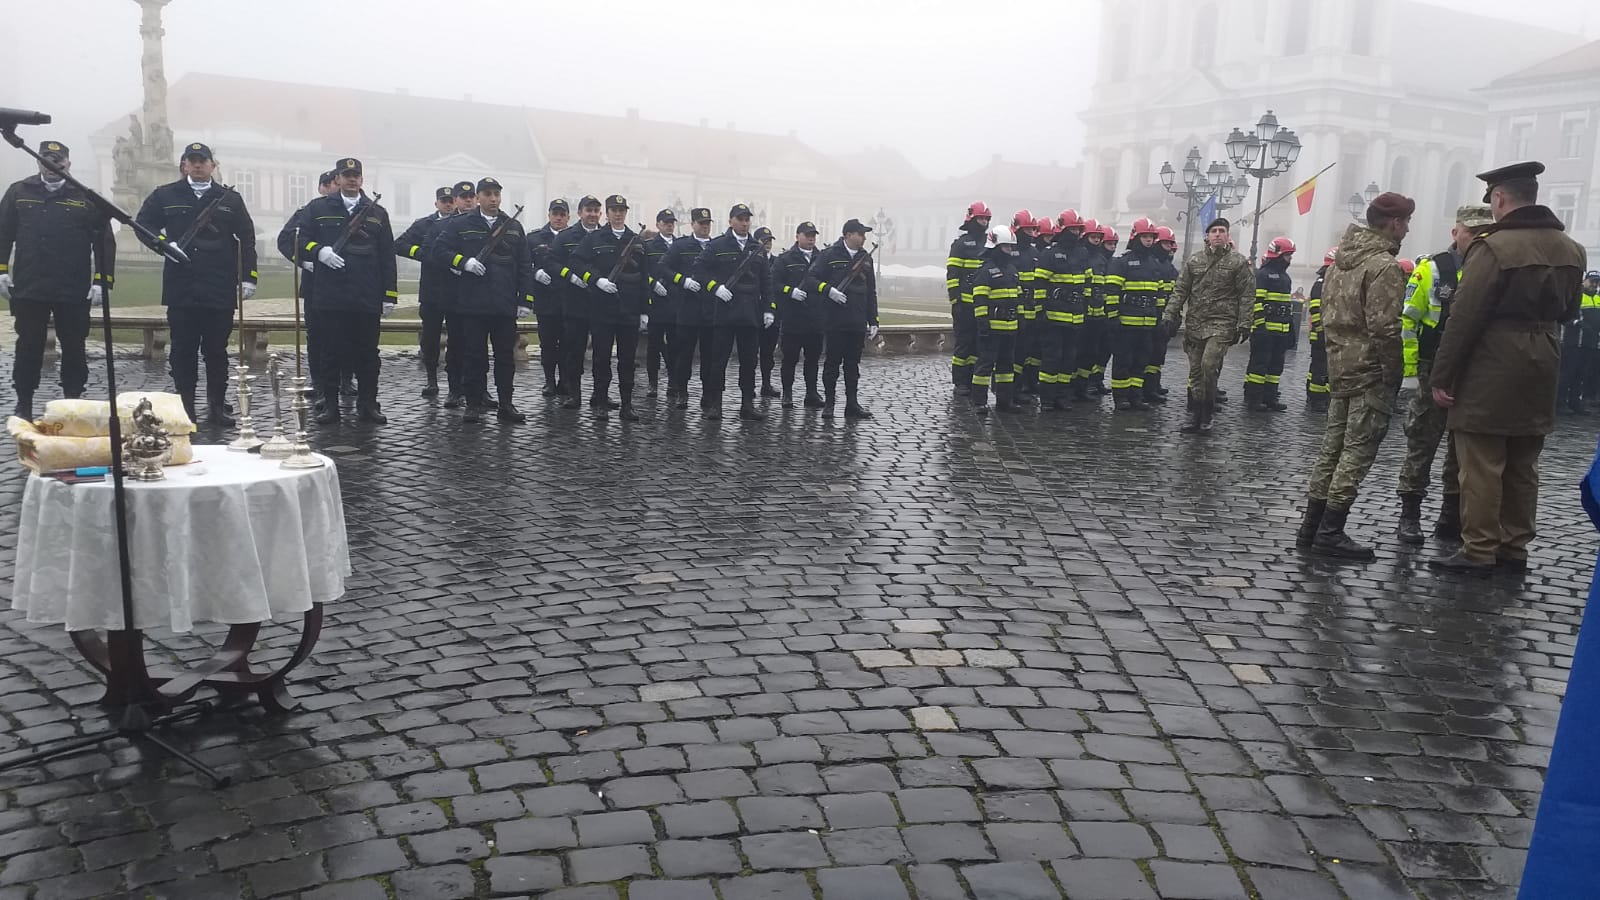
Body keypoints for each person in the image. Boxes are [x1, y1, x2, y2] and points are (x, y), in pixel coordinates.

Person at [1429, 162, 1587, 573]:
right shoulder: (1572, 249)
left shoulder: (1493, 248)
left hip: (1492, 362)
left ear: (1500, 198)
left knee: (1481, 461)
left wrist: (1442, 376)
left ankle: (1479, 548)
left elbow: (1465, 317)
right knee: (1523, 462)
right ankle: (1514, 547)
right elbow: (1569, 311)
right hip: (1544, 356)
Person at [1295, 192, 1414, 559]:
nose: (1407, 230)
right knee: (1357, 452)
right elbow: (1385, 328)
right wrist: (1393, 373)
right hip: (1370, 372)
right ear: (1394, 223)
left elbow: (1329, 318)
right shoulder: (1382, 266)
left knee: (1331, 448)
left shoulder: (1339, 263)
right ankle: (1331, 531)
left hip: (1340, 366)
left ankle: (1310, 527)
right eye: (1406, 223)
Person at [134, 141, 258, 427]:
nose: (198, 165)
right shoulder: (165, 194)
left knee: (216, 351)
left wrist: (248, 276)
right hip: (182, 285)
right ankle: (185, 406)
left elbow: (247, 238)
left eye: (203, 160)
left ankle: (216, 405)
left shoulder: (229, 199)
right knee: (182, 351)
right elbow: (143, 225)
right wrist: (164, 244)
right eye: (193, 160)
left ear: (213, 165)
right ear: (184, 165)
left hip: (219, 285)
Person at [1394, 204, 1494, 544]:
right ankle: (1409, 514)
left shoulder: (1495, 270)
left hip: (1474, 373)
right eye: (1472, 232)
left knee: (1462, 448)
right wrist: (1411, 374)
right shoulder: (1431, 270)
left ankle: (1450, 517)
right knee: (1422, 443)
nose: (1478, 239)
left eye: (1485, 234)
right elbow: (1407, 323)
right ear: (1456, 233)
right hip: (1430, 368)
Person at [0, 141, 112, 421]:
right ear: (38, 161)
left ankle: (72, 401)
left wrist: (101, 280)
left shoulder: (85, 197)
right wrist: (1, 269)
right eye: (46, 160)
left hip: (72, 288)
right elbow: (3, 233)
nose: (51, 165)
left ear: (68, 163)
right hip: (30, 286)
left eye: (57, 160)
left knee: (74, 347)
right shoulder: (19, 192)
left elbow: (103, 242)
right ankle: (24, 401)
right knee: (28, 346)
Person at [296, 156, 396, 425]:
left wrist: (389, 295)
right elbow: (301, 240)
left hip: (366, 293)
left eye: (356, 176)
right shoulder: (317, 208)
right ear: (337, 179)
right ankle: (330, 405)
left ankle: (368, 404)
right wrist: (319, 251)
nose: (352, 179)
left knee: (368, 354)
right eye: (346, 175)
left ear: (362, 179)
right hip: (331, 294)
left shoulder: (377, 213)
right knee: (330, 352)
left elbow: (387, 256)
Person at [426, 177, 531, 424]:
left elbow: (524, 265)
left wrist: (525, 300)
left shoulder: (513, 226)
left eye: (497, 194)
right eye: (488, 194)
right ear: (478, 197)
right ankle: (473, 404)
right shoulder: (460, 223)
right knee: (474, 356)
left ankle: (506, 404)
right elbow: (439, 251)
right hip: (472, 304)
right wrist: (464, 262)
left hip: (504, 303)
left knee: (505, 357)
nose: (493, 199)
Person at [1161, 218, 1253, 433]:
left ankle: (1207, 412)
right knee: (1195, 372)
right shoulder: (1195, 260)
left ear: (1228, 236)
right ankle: (1196, 414)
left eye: (1222, 231)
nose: (1218, 234)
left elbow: (1246, 295)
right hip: (1195, 323)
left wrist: (1245, 323)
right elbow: (1180, 290)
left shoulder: (1238, 262)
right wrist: (1169, 314)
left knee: (1209, 365)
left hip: (1222, 324)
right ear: (1208, 236)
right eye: (1214, 231)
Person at [693, 204, 773, 421]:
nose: (745, 223)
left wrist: (768, 309)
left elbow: (766, 281)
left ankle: (747, 404)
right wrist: (715, 287)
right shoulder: (718, 245)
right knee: (718, 361)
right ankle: (716, 404)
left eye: (747, 219)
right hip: (725, 312)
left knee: (749, 362)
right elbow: (699, 270)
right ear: (730, 221)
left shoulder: (757, 248)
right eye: (740, 219)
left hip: (750, 312)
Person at [572, 194, 649, 421]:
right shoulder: (595, 238)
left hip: (629, 309)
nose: (618, 214)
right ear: (607, 213)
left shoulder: (637, 241)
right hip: (602, 308)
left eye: (622, 210)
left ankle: (627, 404)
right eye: (614, 210)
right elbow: (576, 262)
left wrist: (645, 310)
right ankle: (601, 401)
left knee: (627, 360)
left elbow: (645, 277)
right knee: (601, 358)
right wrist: (596, 280)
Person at [802, 218, 879, 420]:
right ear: (848, 235)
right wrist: (829, 290)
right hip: (835, 319)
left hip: (857, 319)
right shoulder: (829, 255)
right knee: (832, 364)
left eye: (864, 234)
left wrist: (873, 320)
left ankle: (852, 404)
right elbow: (810, 279)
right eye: (860, 234)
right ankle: (829, 404)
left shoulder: (866, 258)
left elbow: (871, 291)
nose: (863, 238)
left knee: (852, 365)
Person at [277, 170, 338, 415]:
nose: (337, 187)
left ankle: (345, 379)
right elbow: (285, 240)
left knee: (347, 334)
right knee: (317, 335)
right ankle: (319, 381)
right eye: (332, 183)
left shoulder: (355, 210)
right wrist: (302, 261)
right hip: (316, 283)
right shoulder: (308, 211)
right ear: (323, 187)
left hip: (346, 284)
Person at [395, 185, 458, 400]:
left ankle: (455, 383)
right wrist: (422, 253)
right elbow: (400, 244)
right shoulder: (424, 224)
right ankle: (431, 379)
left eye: (451, 201)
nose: (448, 204)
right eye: (444, 201)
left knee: (457, 339)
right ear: (436, 203)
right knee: (430, 338)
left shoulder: (461, 223)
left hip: (456, 290)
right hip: (432, 289)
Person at [1105, 217, 1163, 412]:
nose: (1148, 240)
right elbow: (1111, 292)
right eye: (1144, 236)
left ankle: (1135, 397)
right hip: (1126, 323)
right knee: (1123, 361)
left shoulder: (1155, 263)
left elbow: (1159, 295)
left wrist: (1159, 318)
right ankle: (1121, 398)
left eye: (1151, 237)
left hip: (1147, 324)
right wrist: (1113, 317)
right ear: (1135, 237)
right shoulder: (1122, 262)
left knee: (1141, 362)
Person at [1034, 210, 1090, 410]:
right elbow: (1040, 285)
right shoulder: (1049, 254)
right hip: (1053, 317)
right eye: (1072, 229)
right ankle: (1047, 399)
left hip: (1075, 317)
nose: (1075, 233)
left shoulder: (1083, 254)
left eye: (1077, 229)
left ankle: (1062, 396)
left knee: (1069, 360)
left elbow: (1088, 283)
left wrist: (1086, 307)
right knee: (1052, 359)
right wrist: (1040, 311)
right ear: (1063, 229)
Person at [551, 195, 603, 410]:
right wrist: (570, 276)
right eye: (588, 210)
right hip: (575, 301)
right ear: (580, 213)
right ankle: (574, 393)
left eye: (596, 211)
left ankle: (599, 394)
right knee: (574, 350)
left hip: (601, 302)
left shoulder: (606, 236)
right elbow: (551, 262)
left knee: (601, 353)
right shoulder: (566, 237)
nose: (592, 214)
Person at [659, 207, 715, 408]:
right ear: (692, 224)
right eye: (701, 223)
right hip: (687, 307)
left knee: (709, 356)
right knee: (684, 354)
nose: (705, 227)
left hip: (710, 309)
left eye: (707, 223)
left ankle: (707, 394)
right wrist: (682, 281)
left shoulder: (715, 246)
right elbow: (663, 267)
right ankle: (681, 391)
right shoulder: (681, 246)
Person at [969, 224, 1023, 414]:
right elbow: (980, 299)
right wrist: (983, 323)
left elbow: (1018, 297)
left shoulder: (1012, 269)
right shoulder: (986, 270)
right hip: (992, 328)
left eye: (1011, 247)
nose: (1009, 250)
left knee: (1006, 367)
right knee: (985, 365)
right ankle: (979, 402)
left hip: (1010, 327)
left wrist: (1021, 319)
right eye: (1006, 246)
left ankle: (1004, 401)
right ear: (995, 246)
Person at [771, 221, 825, 408]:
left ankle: (811, 393)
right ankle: (787, 393)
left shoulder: (821, 258)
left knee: (813, 359)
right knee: (790, 359)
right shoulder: (785, 259)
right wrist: (789, 291)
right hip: (793, 317)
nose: (811, 239)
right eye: (807, 235)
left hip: (815, 317)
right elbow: (773, 283)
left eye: (813, 236)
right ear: (797, 236)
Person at [1243, 237, 1296, 412]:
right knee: (1259, 366)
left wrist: (1290, 329)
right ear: (1278, 255)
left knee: (1275, 367)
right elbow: (1256, 302)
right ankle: (1254, 398)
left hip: (1281, 330)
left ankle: (1270, 397)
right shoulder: (1263, 275)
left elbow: (1286, 306)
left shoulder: (1285, 278)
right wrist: (1260, 326)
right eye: (1287, 255)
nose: (1290, 259)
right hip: (1264, 330)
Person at [526, 198, 570, 400]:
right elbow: (524, 264)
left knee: (568, 343)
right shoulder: (534, 238)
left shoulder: (573, 238)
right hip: (546, 299)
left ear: (568, 217)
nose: (558, 218)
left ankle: (565, 380)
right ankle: (549, 380)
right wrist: (535, 273)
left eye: (562, 214)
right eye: (555, 214)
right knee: (548, 343)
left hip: (568, 298)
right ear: (549, 215)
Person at [946, 201, 991, 393]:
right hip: (964, 306)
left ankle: (973, 378)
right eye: (980, 218)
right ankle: (960, 382)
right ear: (971, 219)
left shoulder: (989, 243)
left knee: (978, 345)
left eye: (986, 218)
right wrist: (956, 301)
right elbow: (953, 276)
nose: (984, 222)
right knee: (963, 345)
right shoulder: (961, 244)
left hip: (982, 306)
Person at [642, 208, 677, 398]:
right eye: (666, 222)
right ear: (658, 225)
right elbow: (643, 271)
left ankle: (673, 381)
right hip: (656, 302)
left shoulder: (679, 245)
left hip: (674, 301)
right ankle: (653, 383)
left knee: (674, 345)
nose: (669, 225)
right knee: (654, 345)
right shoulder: (649, 246)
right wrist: (653, 284)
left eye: (672, 222)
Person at [1145, 225, 1179, 404]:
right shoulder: (1153, 263)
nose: (1169, 248)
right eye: (1166, 244)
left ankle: (1154, 385)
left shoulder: (1169, 267)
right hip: (1153, 315)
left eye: (1170, 245)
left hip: (1165, 315)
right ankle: (1147, 388)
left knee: (1159, 355)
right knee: (1150, 354)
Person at [1013, 210, 1044, 400]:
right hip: (1017, 310)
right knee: (1017, 353)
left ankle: (1030, 383)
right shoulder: (1010, 249)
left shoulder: (1034, 253)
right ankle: (1014, 389)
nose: (1031, 233)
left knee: (1032, 351)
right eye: (1027, 229)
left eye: (1033, 229)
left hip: (1033, 310)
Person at [1304, 247, 1335, 410]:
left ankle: (1316, 396)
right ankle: (1316, 399)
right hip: (1321, 333)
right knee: (1320, 367)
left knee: (1321, 366)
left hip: (1327, 332)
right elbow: (1315, 309)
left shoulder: (1329, 282)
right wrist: (1320, 329)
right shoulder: (1321, 283)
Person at [754, 225, 782, 398]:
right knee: (750, 353)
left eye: (769, 240)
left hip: (772, 311)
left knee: (768, 352)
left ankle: (766, 383)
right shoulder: (752, 260)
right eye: (764, 240)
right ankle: (749, 385)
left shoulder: (777, 261)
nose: (767, 244)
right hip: (753, 311)